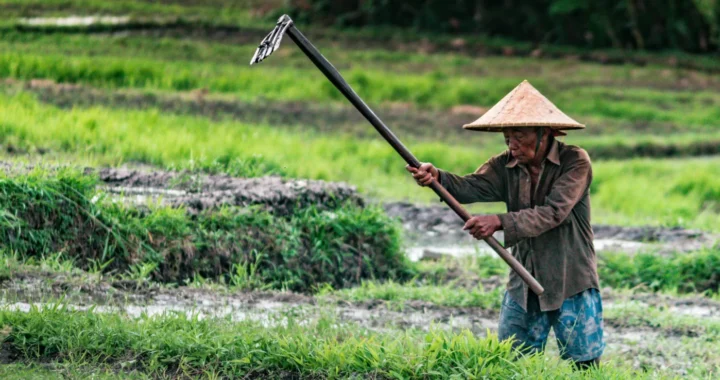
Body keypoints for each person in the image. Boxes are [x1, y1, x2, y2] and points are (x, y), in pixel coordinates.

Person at [407, 80, 603, 369]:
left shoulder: (575, 161)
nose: (511, 144)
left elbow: (554, 212)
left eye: (519, 136)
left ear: (544, 133)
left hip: (570, 276)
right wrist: (437, 177)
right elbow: (470, 187)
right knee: (510, 362)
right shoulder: (504, 164)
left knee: (584, 364)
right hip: (524, 274)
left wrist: (499, 221)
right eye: (507, 136)